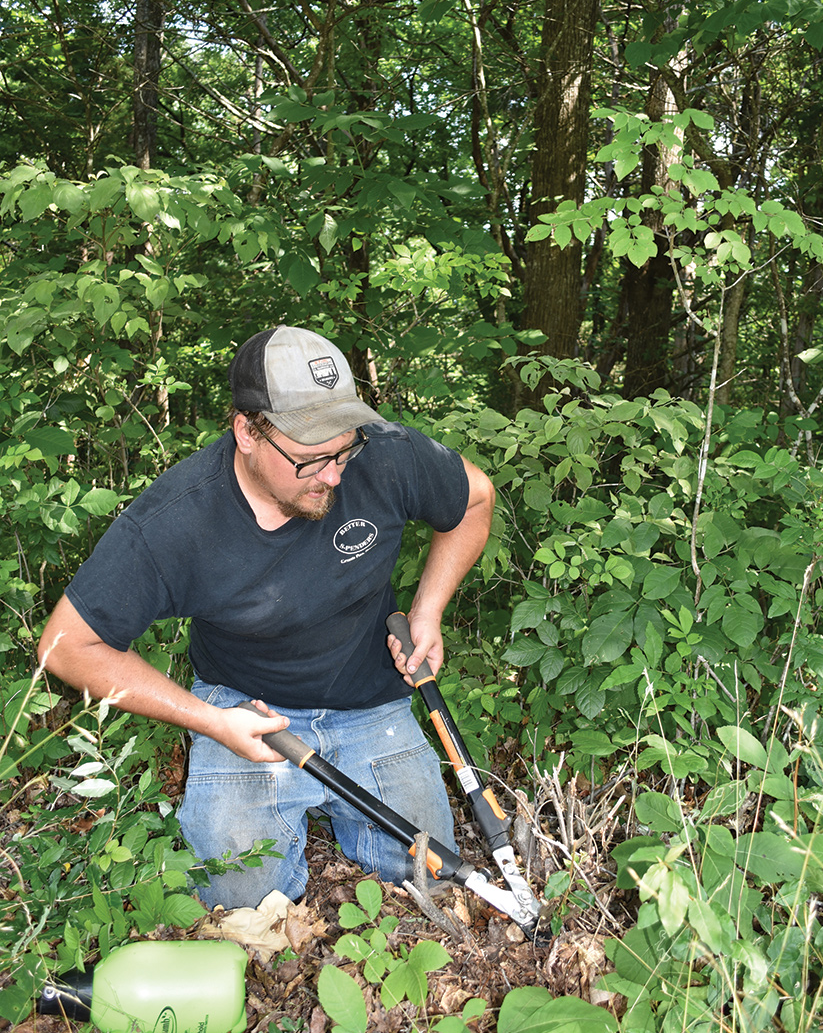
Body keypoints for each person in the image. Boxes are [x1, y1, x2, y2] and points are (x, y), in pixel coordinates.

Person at [39, 325, 495, 909]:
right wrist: (208, 720)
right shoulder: (178, 522)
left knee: (430, 877)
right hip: (248, 711)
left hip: (371, 702)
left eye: (344, 447)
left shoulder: (384, 455)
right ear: (247, 432)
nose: (334, 474)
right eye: (310, 459)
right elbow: (68, 644)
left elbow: (474, 498)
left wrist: (428, 611)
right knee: (237, 895)